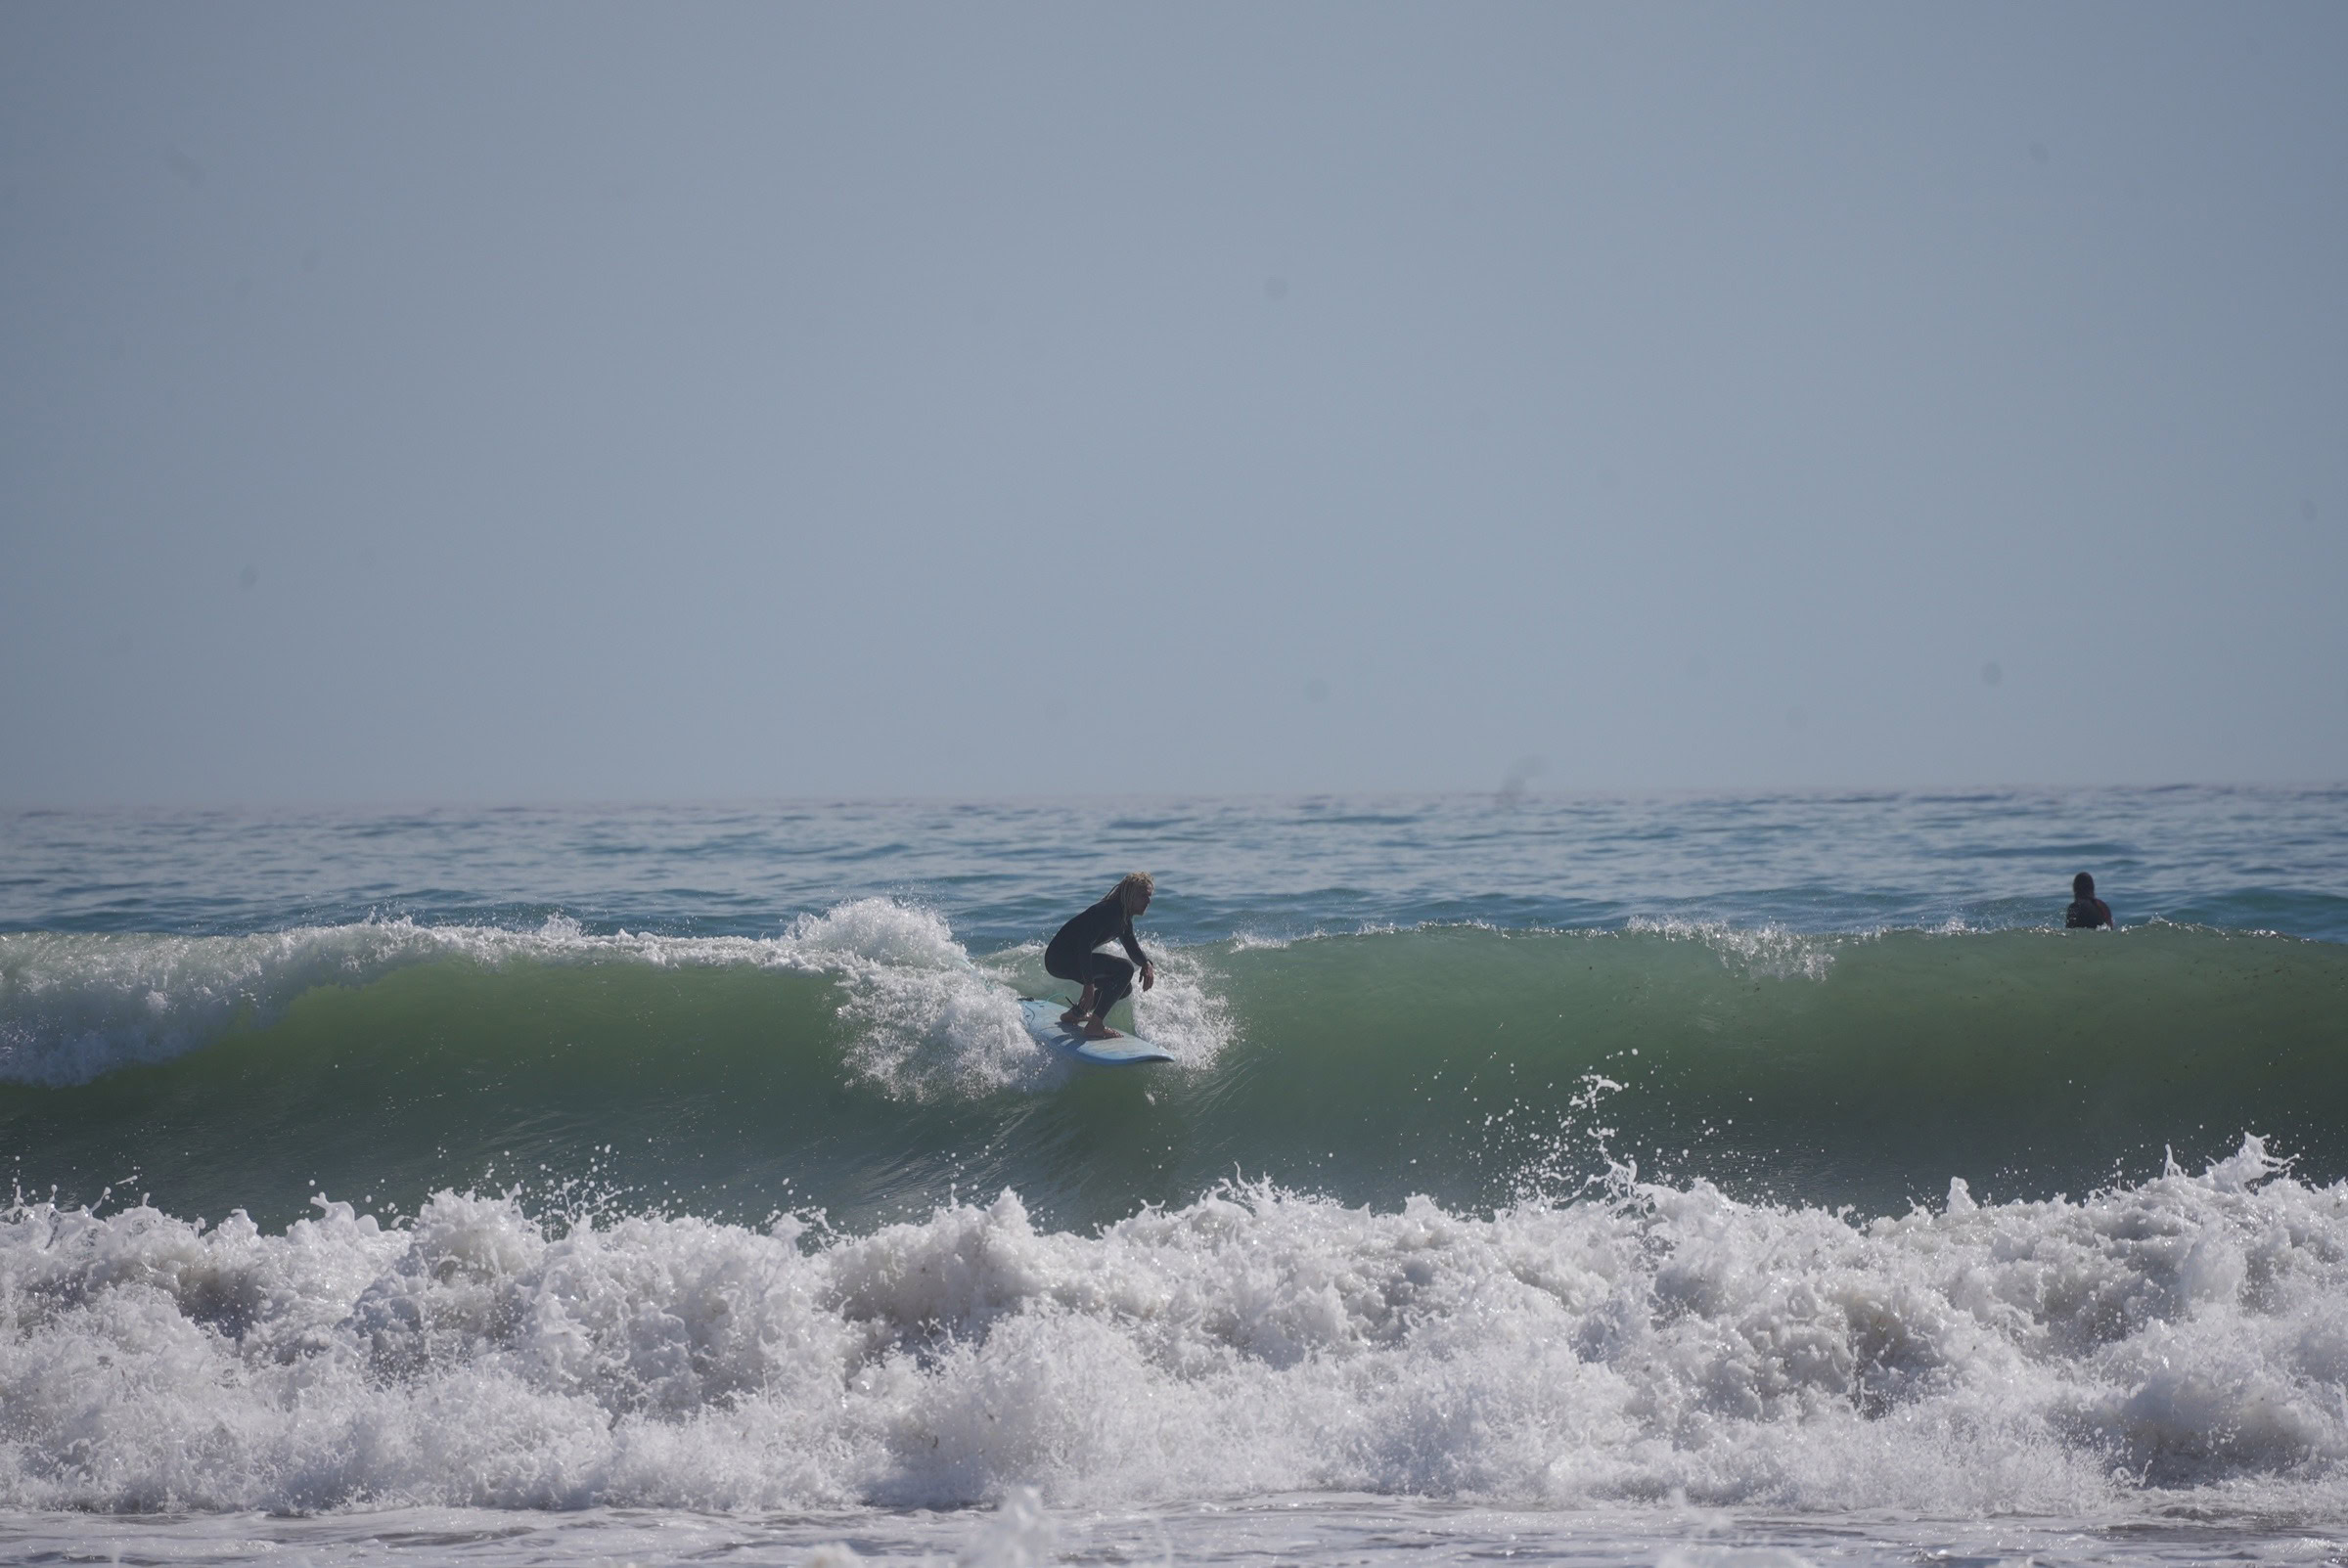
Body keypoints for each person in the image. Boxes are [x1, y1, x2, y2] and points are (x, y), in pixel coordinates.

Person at [1046, 873, 1155, 1039]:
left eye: (1149, 896)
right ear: (1130, 895)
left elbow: (1132, 948)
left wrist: (1147, 964)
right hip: (1059, 958)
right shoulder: (1108, 912)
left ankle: (1077, 1013)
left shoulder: (1123, 918)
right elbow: (1084, 945)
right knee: (1125, 968)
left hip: (1066, 960)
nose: (1148, 901)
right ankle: (1094, 1026)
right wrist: (1089, 986)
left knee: (1124, 988)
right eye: (1143, 896)